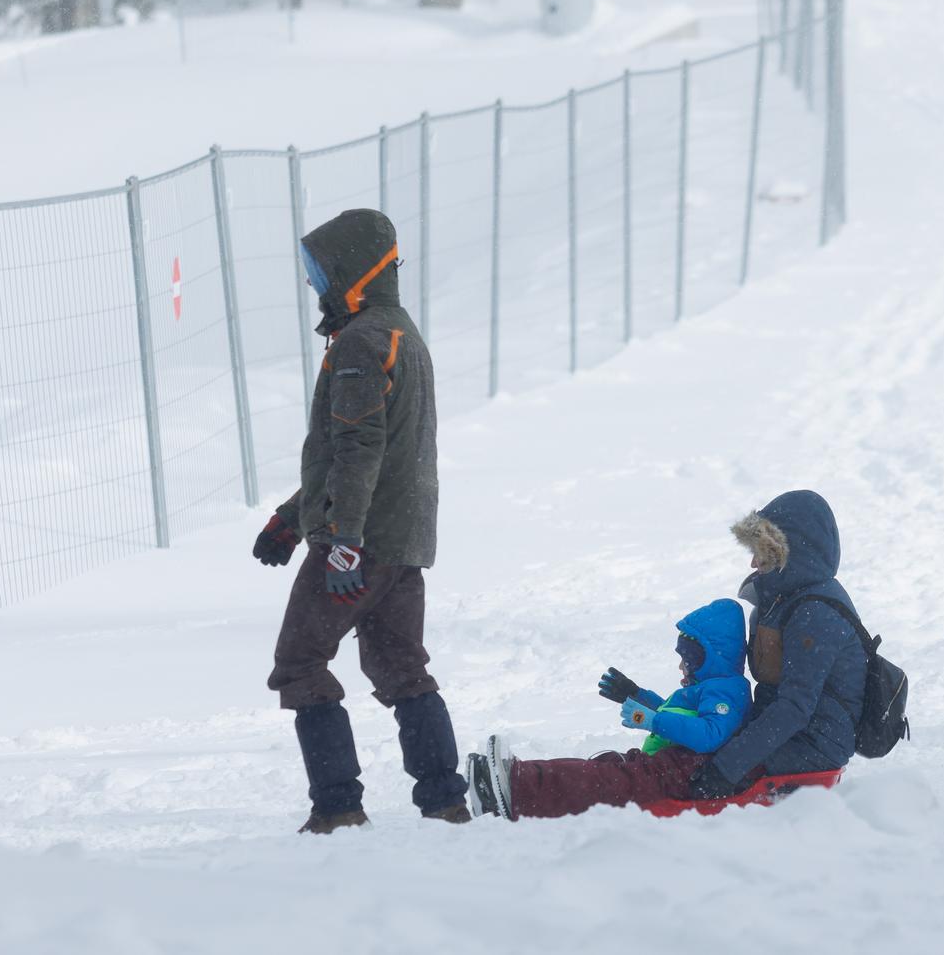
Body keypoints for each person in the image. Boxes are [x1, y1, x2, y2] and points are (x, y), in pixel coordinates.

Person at [253, 208, 470, 833]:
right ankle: (444, 800)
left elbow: (359, 450)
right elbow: (373, 450)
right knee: (402, 667)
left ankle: (338, 807)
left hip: (362, 540)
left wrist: (341, 539)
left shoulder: (359, 344)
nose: (313, 282)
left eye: (321, 270)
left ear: (354, 272)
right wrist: (293, 517)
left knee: (300, 665)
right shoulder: (399, 332)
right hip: (402, 540)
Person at [464, 598, 753, 820]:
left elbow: (710, 734)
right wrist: (636, 695)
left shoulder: (728, 690)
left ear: (711, 657)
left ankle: (517, 787)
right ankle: (516, 780)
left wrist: (654, 721)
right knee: (605, 767)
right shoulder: (713, 685)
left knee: (606, 782)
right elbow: (681, 714)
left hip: (683, 771)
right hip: (673, 762)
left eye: (689, 658)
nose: (682, 665)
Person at [687, 490, 868, 799]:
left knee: (686, 770)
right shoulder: (782, 599)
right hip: (783, 734)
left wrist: (725, 768)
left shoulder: (816, 613)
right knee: (687, 752)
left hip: (813, 746)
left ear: (792, 552)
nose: (753, 561)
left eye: (763, 552)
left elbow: (794, 708)